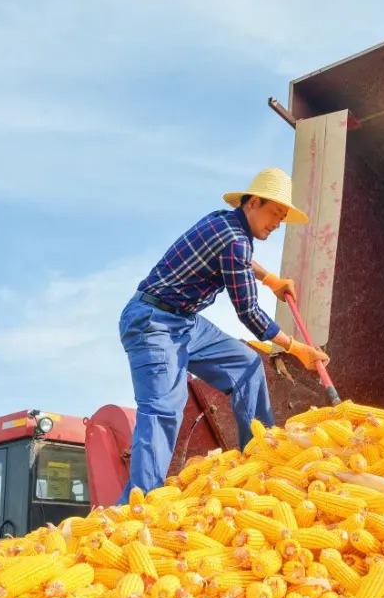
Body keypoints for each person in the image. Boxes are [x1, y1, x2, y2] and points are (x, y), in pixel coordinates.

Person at [116, 167, 330, 504]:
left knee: (246, 365)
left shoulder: (225, 223)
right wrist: (296, 348)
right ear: (253, 203)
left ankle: (260, 457)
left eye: (282, 217)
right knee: (164, 409)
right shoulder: (234, 240)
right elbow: (249, 313)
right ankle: (138, 505)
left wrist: (270, 279)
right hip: (153, 322)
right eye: (275, 213)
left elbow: (241, 261)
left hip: (185, 322)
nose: (277, 223)